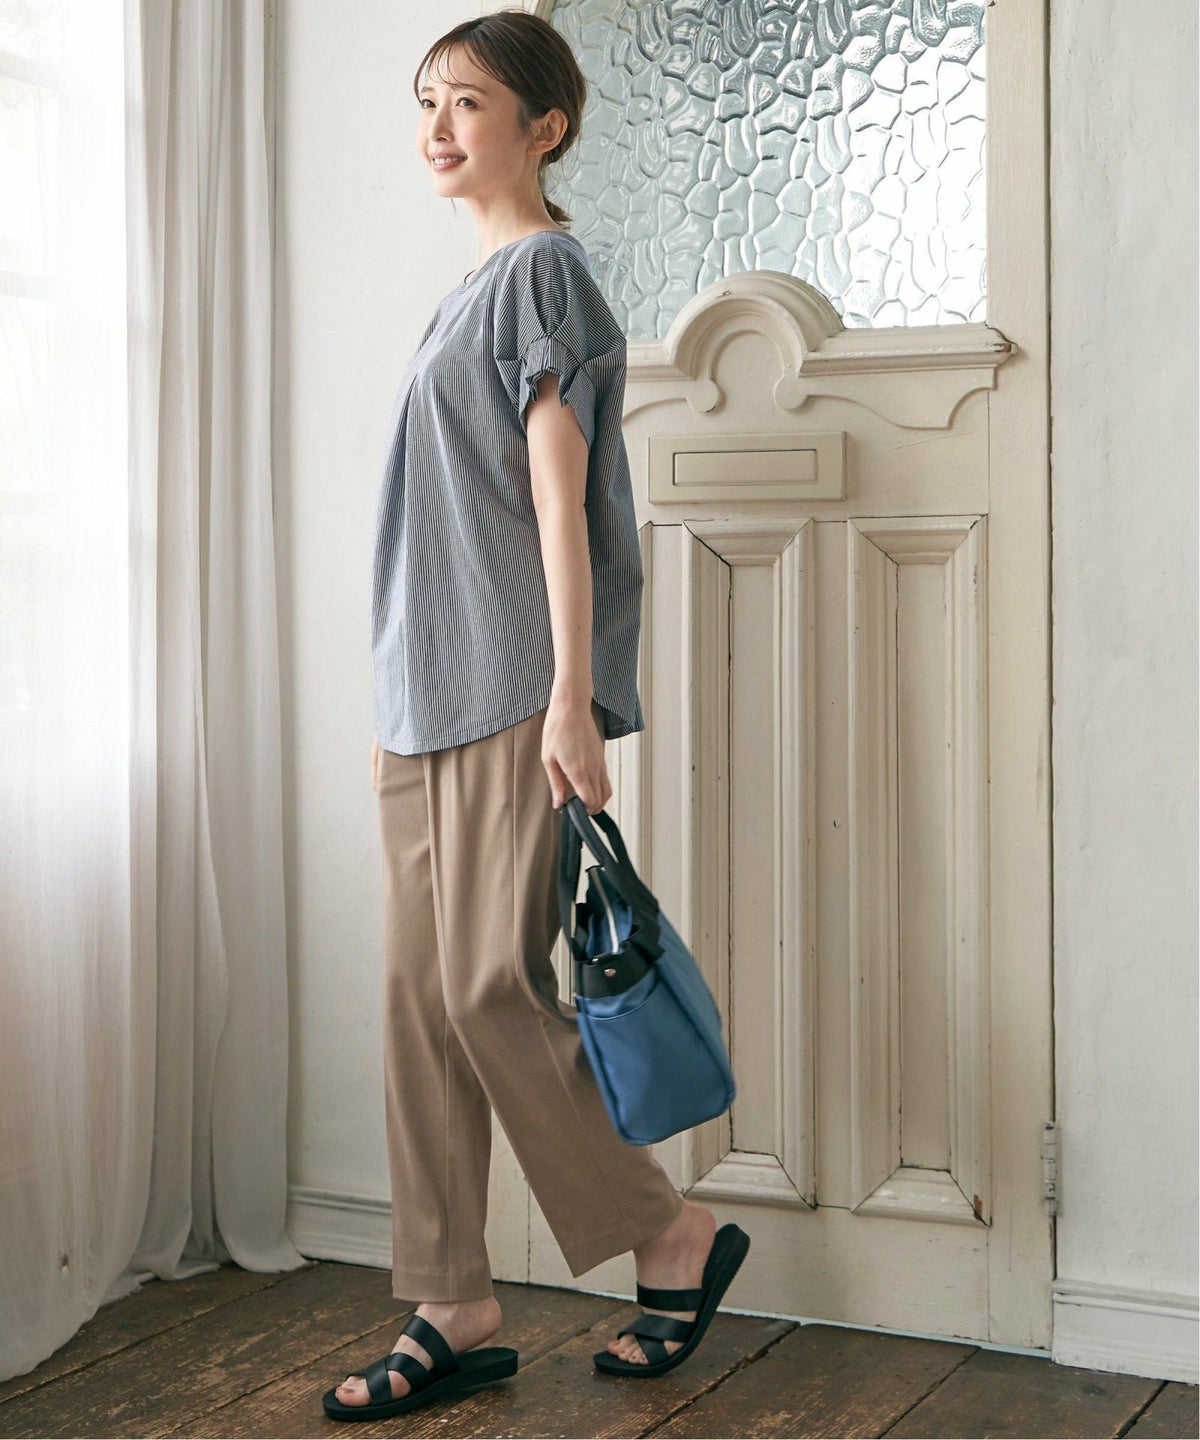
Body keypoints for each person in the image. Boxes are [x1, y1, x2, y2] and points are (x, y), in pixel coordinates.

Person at [323, 11, 747, 1422]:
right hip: (419, 696)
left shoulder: (543, 275)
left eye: (469, 102)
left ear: (543, 127)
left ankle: (669, 1231)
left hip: (511, 687)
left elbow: (565, 506)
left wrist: (572, 697)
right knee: (417, 1006)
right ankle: (450, 1295)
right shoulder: (465, 291)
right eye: (427, 101)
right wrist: (398, 696)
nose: (438, 127)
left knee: (486, 988)